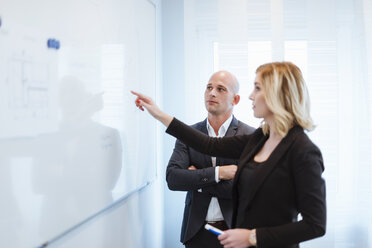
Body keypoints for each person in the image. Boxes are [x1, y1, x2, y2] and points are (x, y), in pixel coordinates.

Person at [132, 61, 326, 248]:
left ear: (278, 95)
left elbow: (315, 225)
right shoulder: (260, 138)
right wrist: (158, 114)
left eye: (257, 88)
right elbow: (208, 144)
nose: (251, 96)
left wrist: (252, 237)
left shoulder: (303, 151)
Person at [166, 71, 255, 247]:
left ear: (235, 100)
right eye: (209, 87)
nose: (212, 93)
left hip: (236, 231)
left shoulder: (250, 136)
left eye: (221, 89)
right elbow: (173, 179)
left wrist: (196, 181)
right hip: (196, 232)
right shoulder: (189, 134)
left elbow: (244, 189)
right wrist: (219, 173)